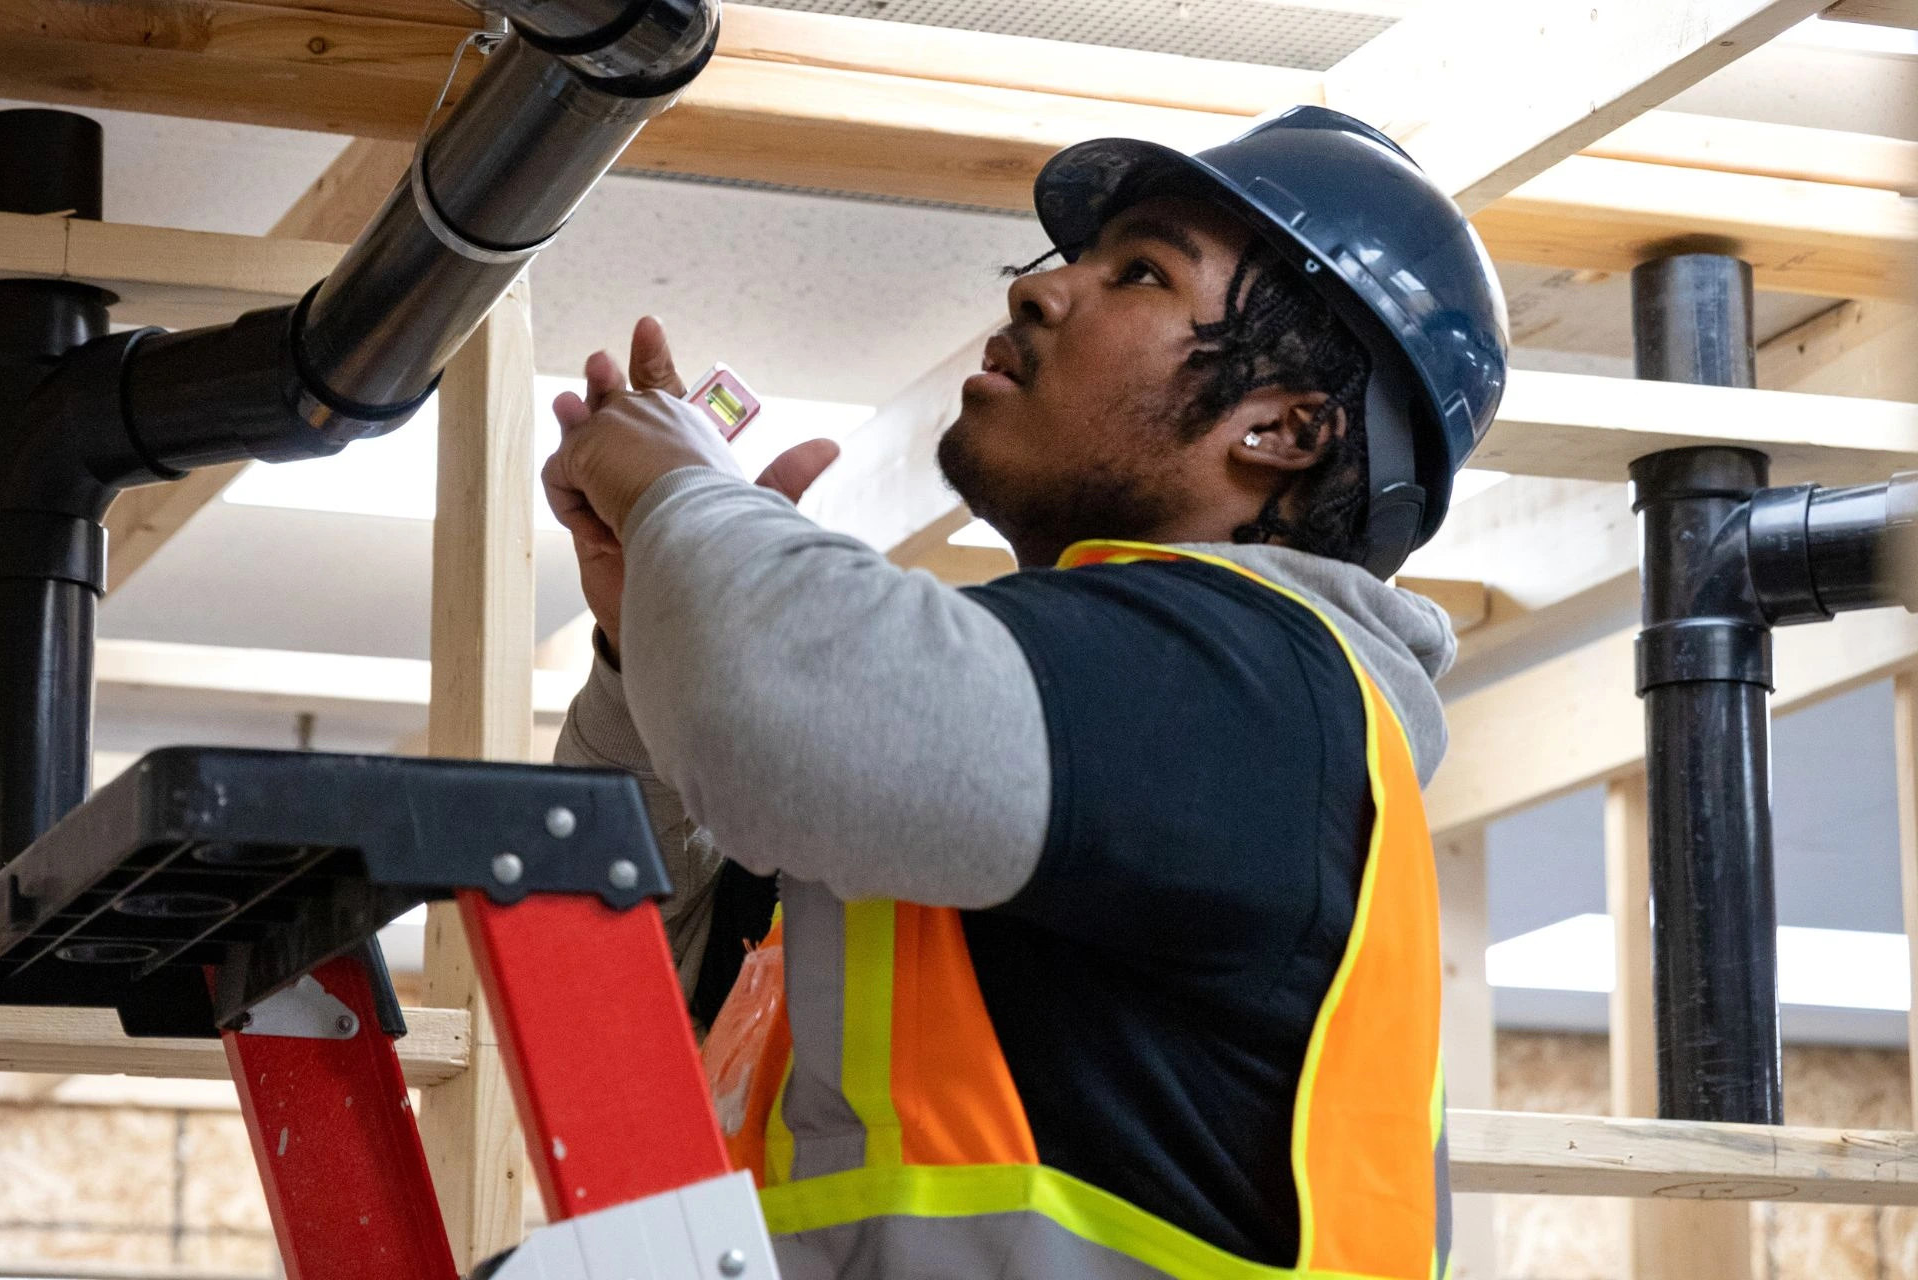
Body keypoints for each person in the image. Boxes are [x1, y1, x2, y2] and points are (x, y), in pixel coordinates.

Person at [542, 105, 1507, 1280]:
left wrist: (685, 494)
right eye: (1074, 260)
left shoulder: (1256, 689)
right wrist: (649, 643)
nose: (1041, 291)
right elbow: (611, 990)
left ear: (1281, 428)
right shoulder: (1031, 749)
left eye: (1140, 271)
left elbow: (777, 707)